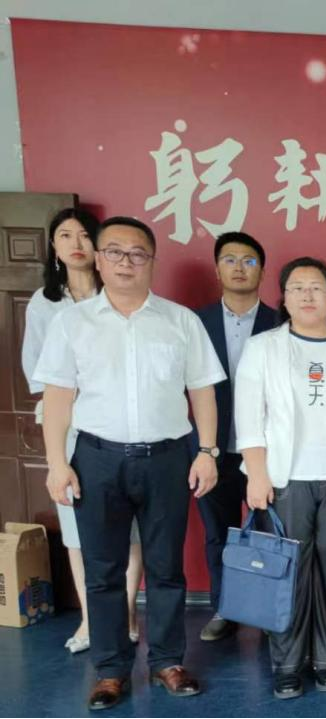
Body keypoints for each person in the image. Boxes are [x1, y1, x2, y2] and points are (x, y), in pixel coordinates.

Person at [35, 217, 224, 710]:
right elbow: (58, 397)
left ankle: (167, 661)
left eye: (137, 253)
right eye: (115, 252)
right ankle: (111, 670)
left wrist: (207, 452)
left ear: (152, 262)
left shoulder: (180, 321)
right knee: (103, 570)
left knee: (166, 568)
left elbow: (202, 391)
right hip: (96, 459)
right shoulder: (72, 323)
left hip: (167, 459)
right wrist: (57, 463)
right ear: (99, 260)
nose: (126, 262)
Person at [237, 257, 326, 700]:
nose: (307, 296)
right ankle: (286, 663)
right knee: (289, 574)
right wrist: (256, 475)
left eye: (316, 287)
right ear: (283, 297)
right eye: (297, 288)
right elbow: (249, 417)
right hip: (286, 479)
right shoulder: (264, 347)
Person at [21, 208, 144, 657]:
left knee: (131, 526)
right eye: (64, 235)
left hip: (124, 428)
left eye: (84, 235)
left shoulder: (124, 296)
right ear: (53, 248)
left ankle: (126, 613)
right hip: (71, 428)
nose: (75, 243)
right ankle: (92, 618)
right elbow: (40, 374)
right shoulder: (44, 304)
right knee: (77, 526)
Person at [193, 231, 277, 643]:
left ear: (262, 270)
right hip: (214, 449)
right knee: (218, 534)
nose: (239, 268)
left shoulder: (280, 323)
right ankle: (224, 608)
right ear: (217, 269)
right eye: (230, 260)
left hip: (268, 452)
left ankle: (267, 611)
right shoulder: (196, 323)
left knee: (269, 535)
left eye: (249, 260)